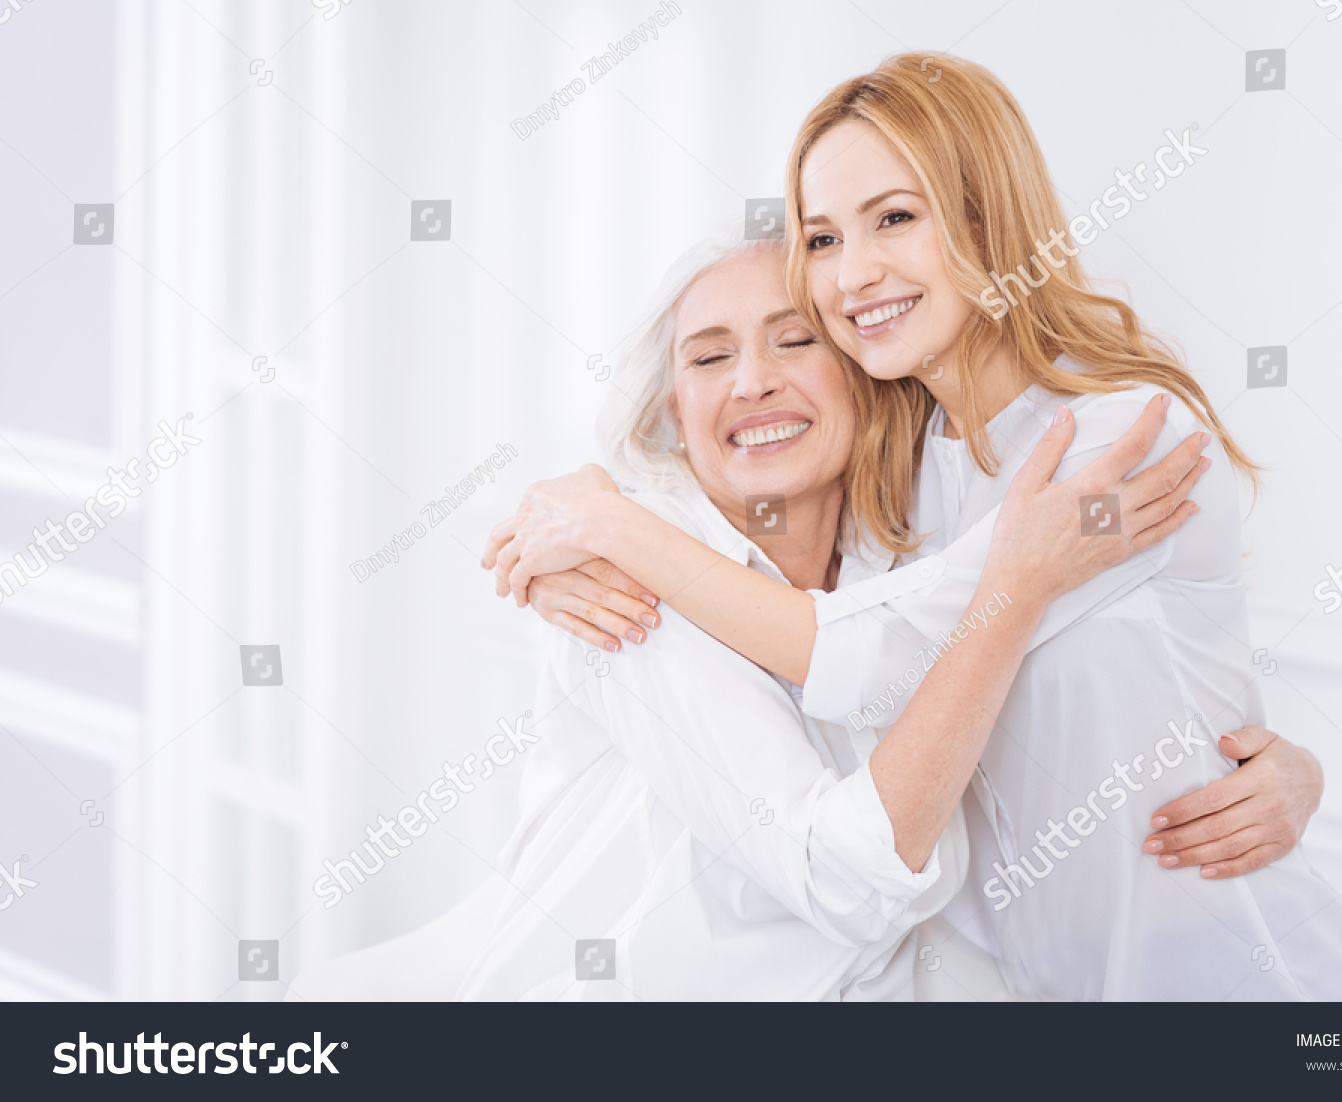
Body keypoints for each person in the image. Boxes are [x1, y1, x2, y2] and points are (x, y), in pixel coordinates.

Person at [487, 53, 1342, 1000]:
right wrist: (577, 528)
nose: (855, 273)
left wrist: (613, 529)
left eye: (895, 216)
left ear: (988, 218)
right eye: (821, 239)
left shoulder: (1122, 441)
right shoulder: (911, 476)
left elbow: (880, 655)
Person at [455, 227, 1209, 999]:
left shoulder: (907, 547)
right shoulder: (623, 586)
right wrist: (1010, 597)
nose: (752, 382)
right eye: (710, 358)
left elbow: (1049, 733)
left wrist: (1273, 769)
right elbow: (844, 879)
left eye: (795, 340)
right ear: (675, 412)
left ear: (863, 377)